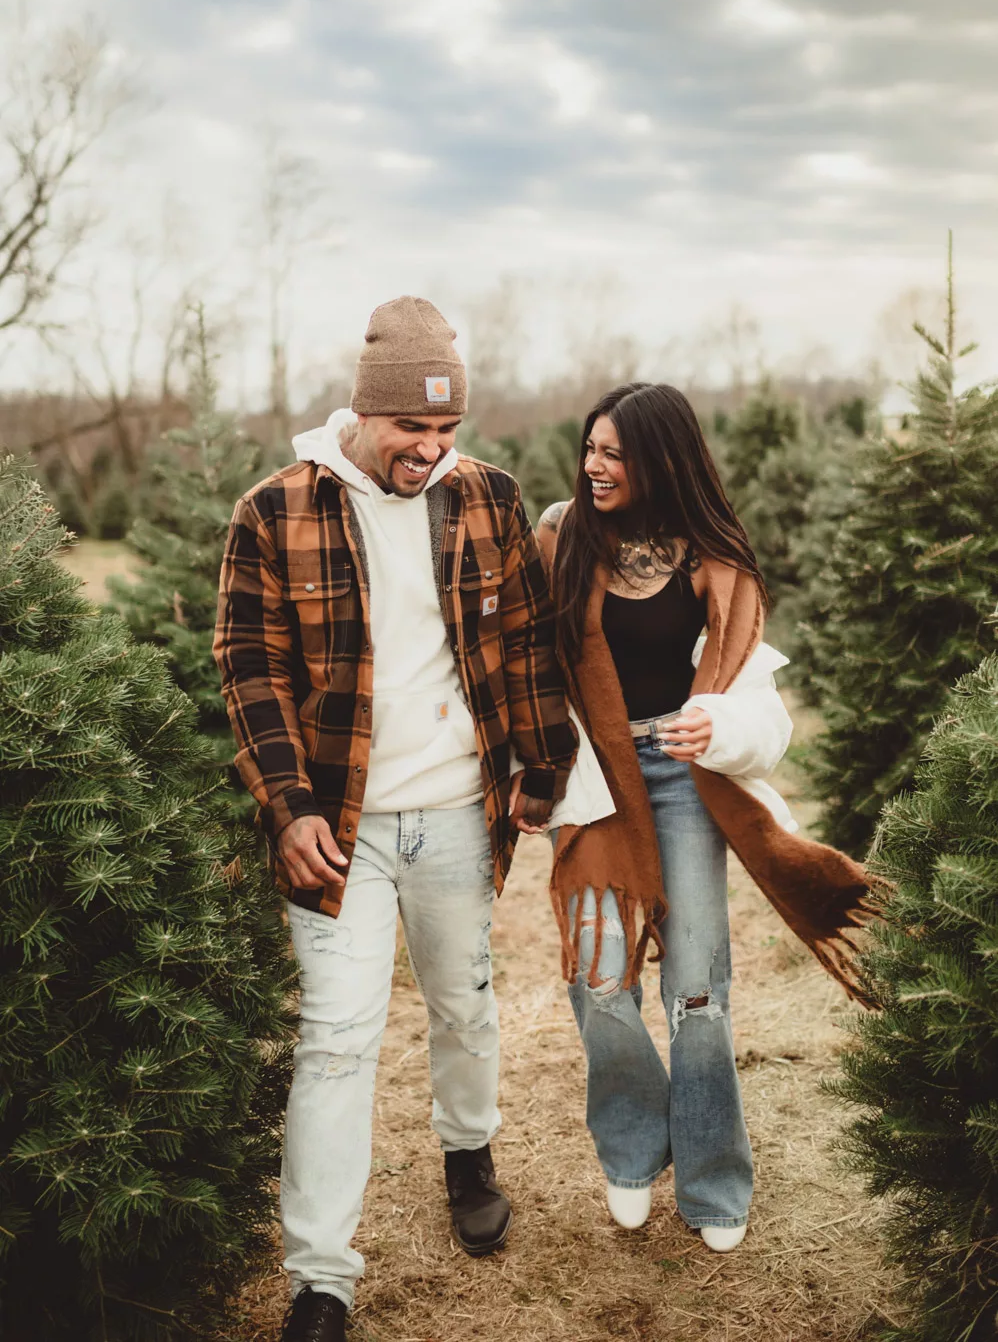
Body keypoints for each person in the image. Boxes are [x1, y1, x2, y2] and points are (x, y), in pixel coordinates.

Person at [214, 297, 577, 1342]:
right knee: (335, 1038)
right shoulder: (275, 509)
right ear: (363, 416)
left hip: (458, 812)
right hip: (341, 825)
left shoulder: (487, 499)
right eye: (410, 430)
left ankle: (467, 1155)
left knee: (464, 1004)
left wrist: (538, 766)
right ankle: (319, 1279)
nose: (428, 450)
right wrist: (286, 808)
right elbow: (249, 666)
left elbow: (523, 639)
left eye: (445, 430)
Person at [537, 382, 880, 1255]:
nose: (594, 466)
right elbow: (525, 671)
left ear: (663, 460)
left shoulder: (715, 560)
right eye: (591, 448)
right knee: (600, 983)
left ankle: (714, 1176)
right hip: (600, 780)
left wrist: (716, 723)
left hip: (689, 778)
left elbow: (765, 712)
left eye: (615, 453)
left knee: (697, 992)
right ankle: (631, 1143)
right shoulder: (559, 537)